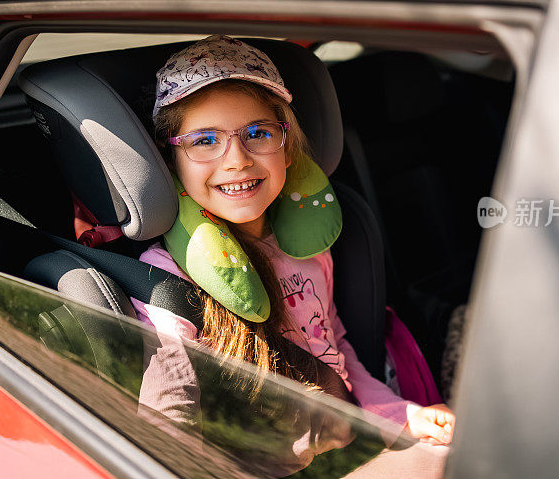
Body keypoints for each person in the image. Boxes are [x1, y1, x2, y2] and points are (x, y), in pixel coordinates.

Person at [132, 34, 454, 474]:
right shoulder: (167, 279)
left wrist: (398, 414)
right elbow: (170, 416)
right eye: (205, 140)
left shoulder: (308, 251)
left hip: (341, 448)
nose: (237, 160)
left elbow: (332, 344)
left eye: (258, 133)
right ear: (172, 164)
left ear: (288, 146)